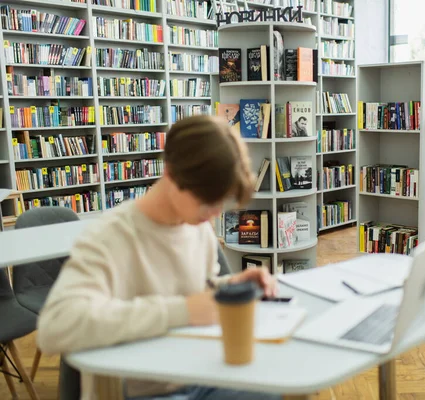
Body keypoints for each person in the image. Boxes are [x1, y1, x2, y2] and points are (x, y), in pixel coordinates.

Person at [36, 115, 282, 400]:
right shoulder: (110, 236)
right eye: (207, 200)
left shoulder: (197, 226)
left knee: (277, 385)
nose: (215, 213)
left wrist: (229, 287)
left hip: (203, 370)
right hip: (147, 390)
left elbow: (191, 292)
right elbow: (54, 328)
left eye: (221, 201)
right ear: (171, 174)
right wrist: (183, 311)